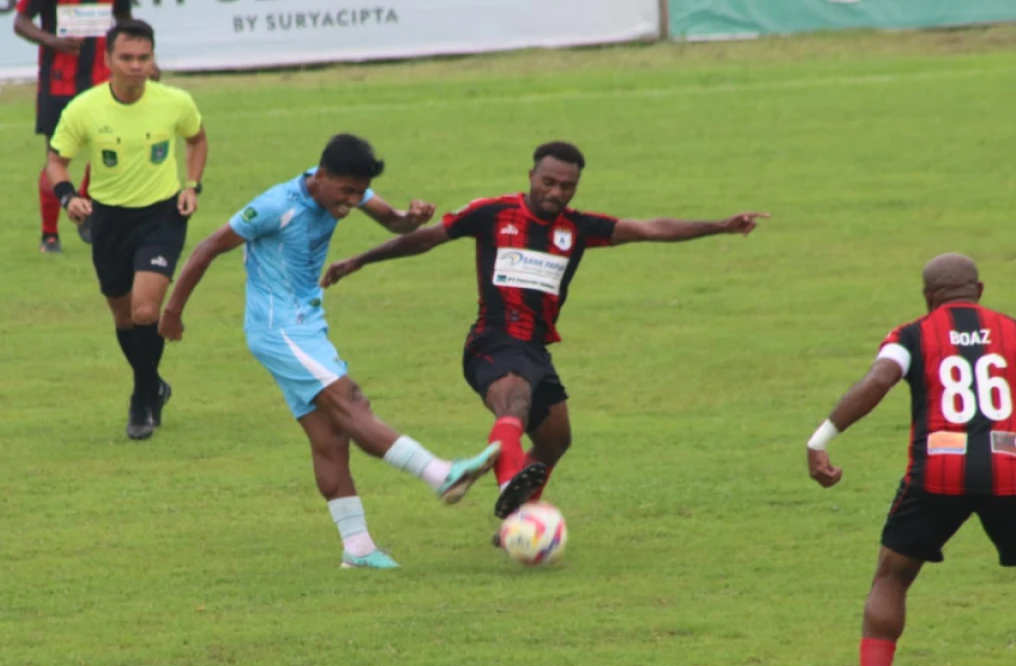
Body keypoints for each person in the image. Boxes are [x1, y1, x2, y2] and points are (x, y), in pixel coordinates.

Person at [321, 141, 767, 540]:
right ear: (531, 176)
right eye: (548, 182)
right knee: (513, 402)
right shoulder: (493, 212)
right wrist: (360, 259)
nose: (555, 193)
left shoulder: (579, 228)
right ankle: (517, 510)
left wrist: (720, 226)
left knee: (555, 441)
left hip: (535, 348)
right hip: (491, 342)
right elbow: (426, 239)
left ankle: (515, 488)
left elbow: (650, 228)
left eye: (566, 186)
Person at [158, 133, 502, 569]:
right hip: (278, 330)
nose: (352, 202)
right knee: (351, 401)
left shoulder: (349, 191)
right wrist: (173, 311)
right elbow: (208, 247)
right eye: (346, 192)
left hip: (306, 326)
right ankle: (440, 474)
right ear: (320, 177)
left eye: (359, 193)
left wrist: (410, 217)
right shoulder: (274, 206)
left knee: (330, 437)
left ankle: (357, 549)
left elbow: (393, 222)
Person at [804, 253, 1016, 666]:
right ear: (978, 290)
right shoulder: (1011, 331)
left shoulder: (912, 336)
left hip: (936, 475)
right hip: (1009, 469)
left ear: (927, 297)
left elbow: (878, 380)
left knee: (892, 578)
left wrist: (820, 439)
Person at [45, 19, 208, 440]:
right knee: (121, 316)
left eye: (144, 58)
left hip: (161, 216)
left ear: (154, 59)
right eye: (127, 58)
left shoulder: (175, 101)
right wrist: (68, 197)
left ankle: (141, 396)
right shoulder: (84, 108)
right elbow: (56, 160)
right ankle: (154, 385)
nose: (136, 66)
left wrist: (191, 186)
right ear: (108, 60)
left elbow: (197, 139)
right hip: (110, 221)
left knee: (144, 312)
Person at [15, 0, 140, 253]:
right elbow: (21, 22)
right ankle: (49, 235)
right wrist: (52, 41)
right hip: (58, 84)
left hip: (103, 83)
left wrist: (140, 61)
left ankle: (86, 206)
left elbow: (125, 19)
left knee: (109, 152)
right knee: (56, 156)